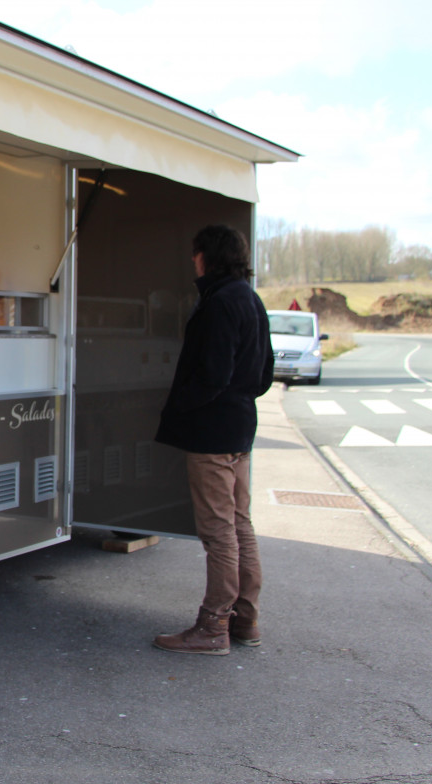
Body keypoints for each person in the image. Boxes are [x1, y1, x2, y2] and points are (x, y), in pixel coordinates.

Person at [152, 225, 274, 656]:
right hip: (241, 427)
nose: (192, 261)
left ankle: (213, 627)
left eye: (195, 252)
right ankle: (246, 619)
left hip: (213, 433)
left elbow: (212, 376)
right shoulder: (251, 299)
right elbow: (264, 376)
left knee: (218, 532)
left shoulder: (219, 303)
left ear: (208, 256)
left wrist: (181, 407)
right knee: (240, 523)